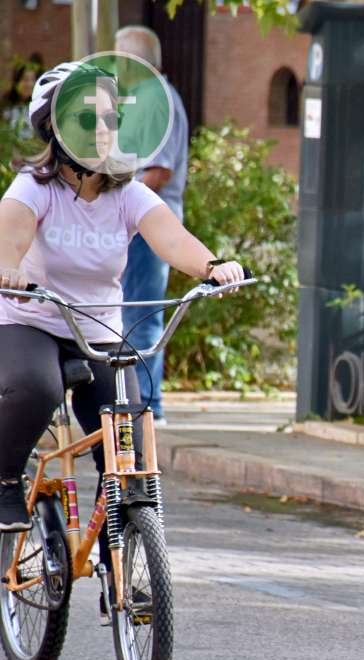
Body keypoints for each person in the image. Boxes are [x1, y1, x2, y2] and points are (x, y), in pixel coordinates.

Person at [0, 60, 244, 535]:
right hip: (32, 323)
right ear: (55, 126)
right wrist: (8, 270)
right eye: (89, 120)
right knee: (38, 387)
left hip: (99, 329)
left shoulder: (126, 193)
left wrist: (213, 267)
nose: (103, 130)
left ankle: (125, 535)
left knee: (127, 421)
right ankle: (5, 480)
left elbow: (172, 240)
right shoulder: (34, 188)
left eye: (111, 119)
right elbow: (9, 238)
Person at [114, 26, 190, 424]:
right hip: (142, 220)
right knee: (130, 310)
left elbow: (158, 170)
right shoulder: (146, 99)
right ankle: (139, 404)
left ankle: (147, 406)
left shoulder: (155, 100)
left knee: (141, 312)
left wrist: (119, 208)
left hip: (149, 222)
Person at [2, 54, 42, 139]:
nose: (29, 84)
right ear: (16, 82)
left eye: (32, 80)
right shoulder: (5, 105)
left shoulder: (37, 107)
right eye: (25, 79)